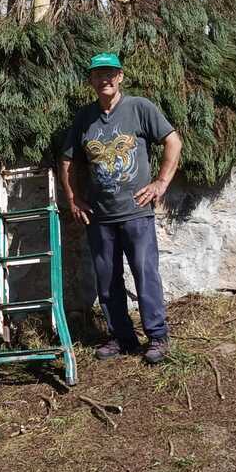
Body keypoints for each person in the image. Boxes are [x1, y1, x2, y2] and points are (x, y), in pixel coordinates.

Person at [59, 53, 182, 365]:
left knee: (145, 273)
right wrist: (74, 199)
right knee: (107, 278)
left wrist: (161, 182)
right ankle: (121, 337)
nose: (105, 79)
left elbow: (173, 141)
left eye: (110, 73)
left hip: (136, 211)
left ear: (120, 76)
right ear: (90, 80)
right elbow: (67, 161)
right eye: (98, 74)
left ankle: (157, 336)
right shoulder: (84, 117)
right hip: (99, 216)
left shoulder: (140, 108)